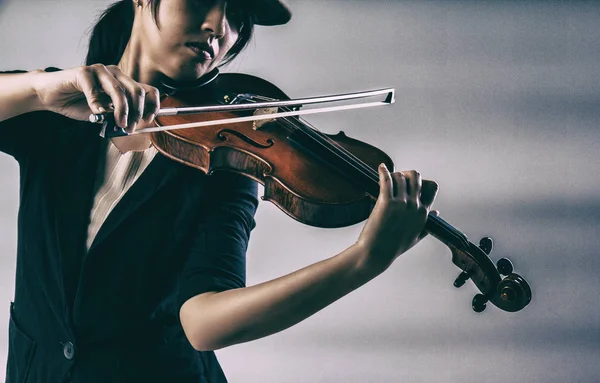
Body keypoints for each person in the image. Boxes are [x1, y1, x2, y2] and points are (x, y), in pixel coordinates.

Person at [0, 0, 439, 382]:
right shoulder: (59, 102)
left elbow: (203, 321)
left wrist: (363, 260)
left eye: (238, 13)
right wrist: (39, 87)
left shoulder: (229, 155)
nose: (220, 27)